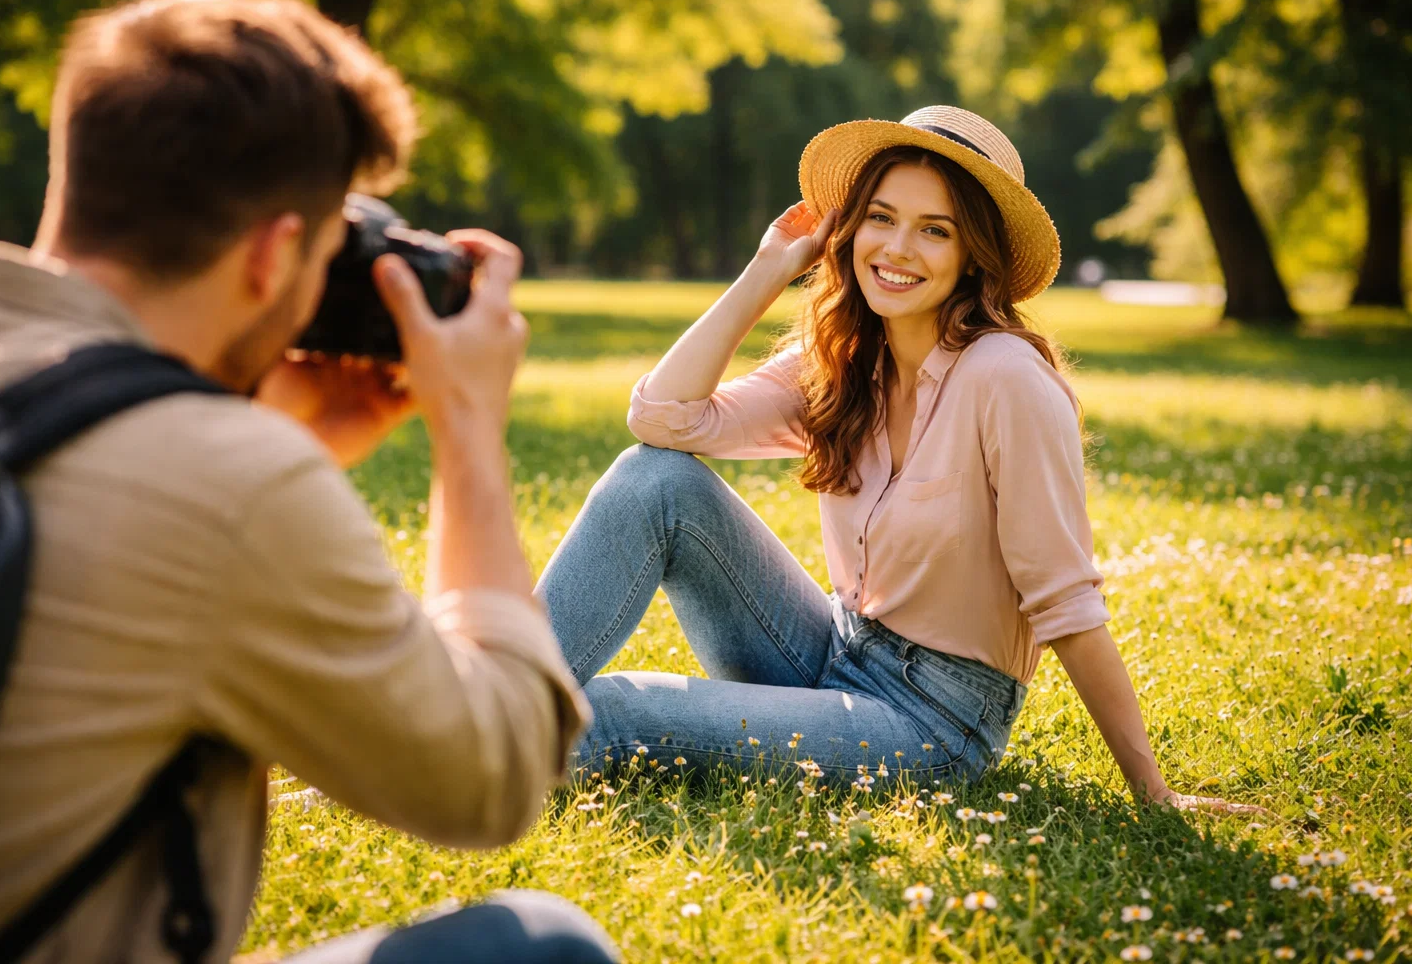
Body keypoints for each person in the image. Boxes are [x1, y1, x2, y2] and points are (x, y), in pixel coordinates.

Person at [0, 0, 616, 964]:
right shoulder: (231, 484)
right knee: (540, 945)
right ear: (279, 252)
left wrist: (264, 430)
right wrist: (466, 430)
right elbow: (490, 777)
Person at [537, 106, 1256, 813]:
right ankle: (480, 706)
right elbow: (664, 420)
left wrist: (1153, 793)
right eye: (880, 218)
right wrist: (767, 270)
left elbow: (1065, 600)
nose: (897, 249)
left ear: (974, 255)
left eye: (934, 230)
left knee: (603, 714)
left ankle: (489, 739)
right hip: (833, 650)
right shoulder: (846, 359)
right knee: (654, 478)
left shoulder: (1004, 378)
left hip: (933, 722)